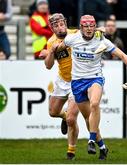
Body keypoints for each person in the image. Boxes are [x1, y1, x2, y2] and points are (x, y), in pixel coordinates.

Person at [55, 15, 127, 160]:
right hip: (77, 82)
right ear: (81, 27)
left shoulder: (102, 41)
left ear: (94, 26)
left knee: (95, 103)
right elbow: (59, 49)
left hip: (95, 78)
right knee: (88, 120)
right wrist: (51, 51)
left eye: (91, 26)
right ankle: (102, 146)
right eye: (86, 26)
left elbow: (122, 55)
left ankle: (90, 141)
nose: (89, 29)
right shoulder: (72, 38)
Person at [42, 13, 79, 160]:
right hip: (62, 79)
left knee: (72, 119)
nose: (59, 27)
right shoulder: (51, 42)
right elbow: (48, 66)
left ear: (65, 23)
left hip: (77, 81)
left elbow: (90, 36)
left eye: (61, 23)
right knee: (53, 112)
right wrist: (51, 52)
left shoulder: (76, 34)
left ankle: (71, 151)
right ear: (52, 28)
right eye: (56, 25)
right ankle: (63, 117)